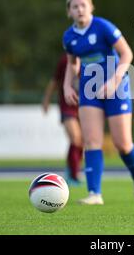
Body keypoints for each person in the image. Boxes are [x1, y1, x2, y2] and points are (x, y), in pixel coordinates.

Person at [63, 0, 134, 205]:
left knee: (123, 144)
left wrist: (115, 80)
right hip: (89, 90)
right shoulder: (69, 37)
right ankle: (94, 194)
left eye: (83, 5)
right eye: (75, 6)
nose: (80, 9)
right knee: (91, 141)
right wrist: (67, 85)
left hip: (116, 88)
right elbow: (73, 64)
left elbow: (127, 53)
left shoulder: (103, 26)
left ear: (91, 7)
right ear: (69, 12)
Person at [42, 53, 83, 186]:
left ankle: (72, 169)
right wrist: (46, 100)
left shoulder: (92, 58)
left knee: (81, 142)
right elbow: (54, 81)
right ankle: (73, 174)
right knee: (75, 138)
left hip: (85, 108)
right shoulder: (65, 60)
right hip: (68, 106)